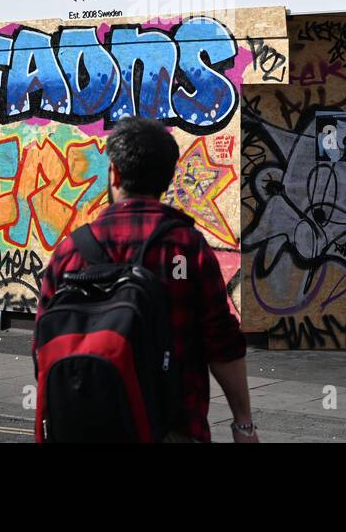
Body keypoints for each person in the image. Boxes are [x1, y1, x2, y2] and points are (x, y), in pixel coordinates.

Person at [35, 117, 258, 443]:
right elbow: (221, 343)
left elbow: (42, 346)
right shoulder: (185, 248)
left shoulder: (70, 251)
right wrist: (243, 424)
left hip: (86, 428)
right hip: (171, 427)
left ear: (114, 173)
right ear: (167, 179)